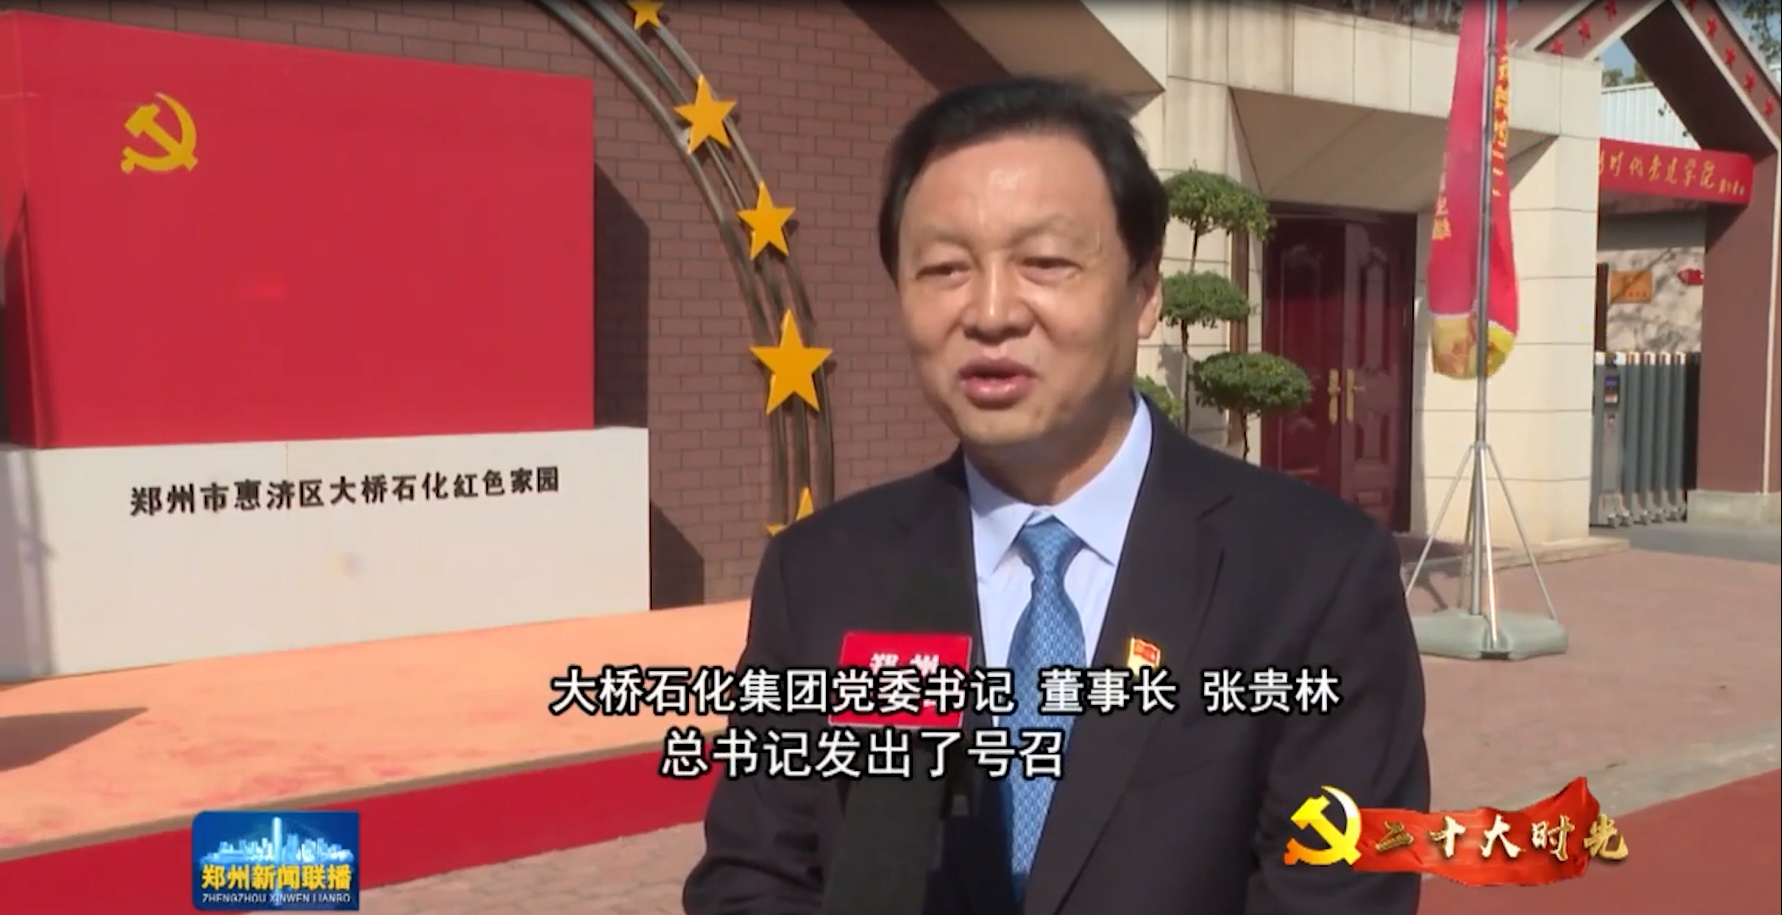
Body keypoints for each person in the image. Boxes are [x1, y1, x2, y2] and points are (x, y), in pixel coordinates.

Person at [682, 75, 1429, 915]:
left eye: (1044, 263)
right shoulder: (823, 574)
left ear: (1144, 291)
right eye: (944, 269)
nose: (991, 312)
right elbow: (754, 877)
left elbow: (1338, 894)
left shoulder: (1314, 574)